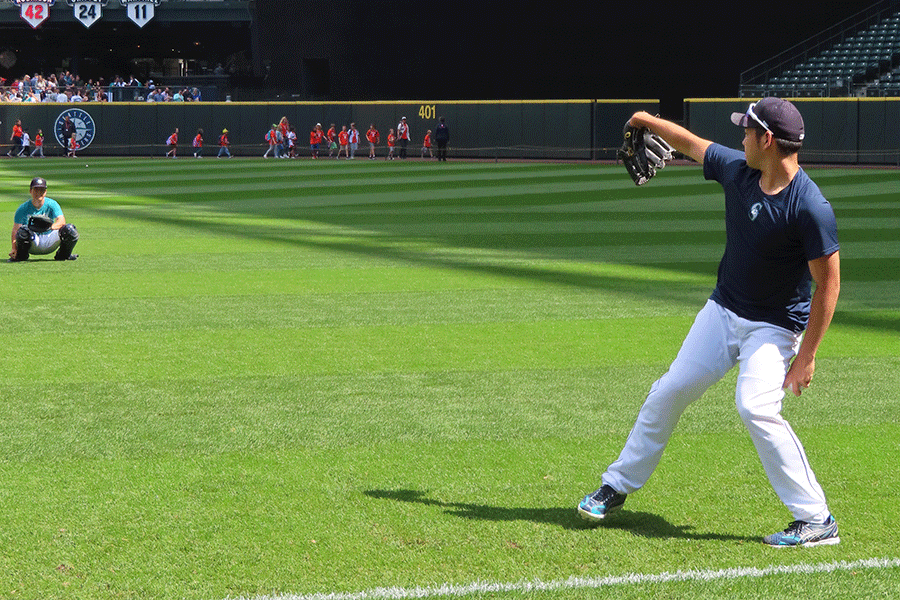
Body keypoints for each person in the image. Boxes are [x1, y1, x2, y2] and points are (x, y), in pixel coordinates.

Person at [576, 98, 842, 548]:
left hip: (773, 327)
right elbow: (692, 144)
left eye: (746, 131)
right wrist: (643, 119)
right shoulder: (739, 170)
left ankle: (816, 518)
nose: (740, 138)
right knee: (669, 390)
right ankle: (616, 486)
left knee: (755, 405)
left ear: (767, 140)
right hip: (722, 312)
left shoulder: (810, 208)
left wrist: (807, 358)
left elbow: (829, 285)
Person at [8, 177, 78, 262]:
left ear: (45, 192)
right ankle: (20, 256)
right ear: (30, 191)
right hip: (33, 241)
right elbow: (16, 230)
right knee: (22, 231)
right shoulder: (23, 208)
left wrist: (49, 227)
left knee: (70, 230)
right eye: (36, 190)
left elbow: (61, 221)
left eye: (42, 190)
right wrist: (14, 249)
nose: (39, 193)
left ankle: (63, 255)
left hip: (49, 239)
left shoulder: (52, 204)